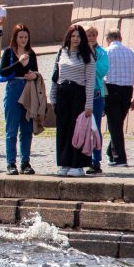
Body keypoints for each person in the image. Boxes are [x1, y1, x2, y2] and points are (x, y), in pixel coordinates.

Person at [50, 25, 95, 177]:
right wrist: (53, 97)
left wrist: (89, 104)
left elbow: (90, 81)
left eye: (79, 36)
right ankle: (64, 162)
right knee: (63, 129)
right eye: (73, 36)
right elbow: (55, 77)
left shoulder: (87, 55)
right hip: (63, 93)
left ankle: (77, 164)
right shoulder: (61, 53)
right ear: (69, 37)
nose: (76, 39)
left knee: (77, 129)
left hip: (78, 94)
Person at [0, 24, 40, 174]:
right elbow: (2, 72)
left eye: (25, 37)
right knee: (11, 129)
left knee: (27, 128)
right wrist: (18, 62)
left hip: (28, 89)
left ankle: (25, 162)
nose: (23, 40)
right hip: (13, 88)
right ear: (15, 37)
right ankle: (11, 163)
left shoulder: (32, 53)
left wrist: (35, 76)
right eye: (20, 37)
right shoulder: (9, 52)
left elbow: (36, 72)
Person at [103, 28, 134, 167]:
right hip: (127, 91)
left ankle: (120, 158)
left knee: (114, 124)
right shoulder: (131, 53)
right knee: (117, 124)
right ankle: (111, 152)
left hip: (111, 89)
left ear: (108, 39)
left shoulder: (105, 52)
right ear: (120, 38)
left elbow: (100, 74)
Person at [84, 24, 109, 174]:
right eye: (88, 35)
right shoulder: (79, 52)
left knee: (95, 128)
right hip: (81, 94)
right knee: (81, 127)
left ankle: (96, 161)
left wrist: (92, 56)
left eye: (93, 35)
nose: (91, 38)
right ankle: (81, 159)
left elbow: (101, 72)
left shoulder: (101, 53)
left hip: (96, 94)